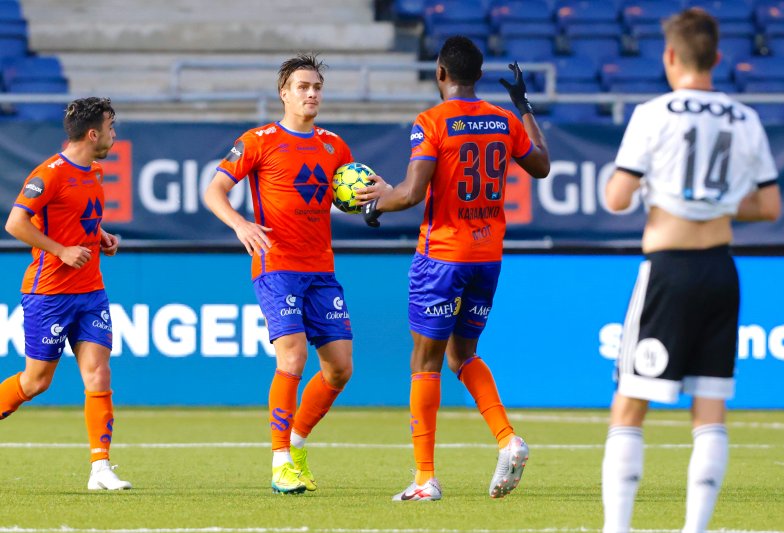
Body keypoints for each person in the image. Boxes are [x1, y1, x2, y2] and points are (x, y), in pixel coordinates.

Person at [601, 8, 781, 533]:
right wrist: (717, 203)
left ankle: (618, 529)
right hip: (722, 272)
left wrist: (668, 195)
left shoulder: (653, 113)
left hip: (668, 270)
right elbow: (770, 207)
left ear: (670, 56)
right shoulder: (745, 118)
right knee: (709, 412)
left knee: (629, 406)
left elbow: (616, 198)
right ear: (718, 59)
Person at [355, 36, 551, 501]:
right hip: (487, 257)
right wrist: (523, 105)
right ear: (479, 76)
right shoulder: (504, 120)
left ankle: (425, 479)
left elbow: (413, 193)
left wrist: (375, 203)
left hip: (442, 256)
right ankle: (508, 439)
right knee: (463, 356)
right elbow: (541, 165)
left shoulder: (430, 122)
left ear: (440, 73)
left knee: (425, 362)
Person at [204, 54, 356, 495]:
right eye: (303, 86)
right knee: (292, 357)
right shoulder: (258, 141)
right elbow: (214, 190)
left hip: (321, 269)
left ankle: (297, 440)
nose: (311, 94)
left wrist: (376, 196)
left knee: (340, 370)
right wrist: (240, 223)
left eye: (317, 87)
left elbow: (356, 191)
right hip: (277, 265)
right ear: (284, 93)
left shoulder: (335, 147)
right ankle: (280, 462)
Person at [0, 97, 131, 491]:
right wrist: (60, 251)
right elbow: (15, 223)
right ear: (93, 133)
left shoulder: (93, 171)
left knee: (98, 373)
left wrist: (99, 235)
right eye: (110, 126)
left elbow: (77, 221)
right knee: (36, 382)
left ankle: (100, 469)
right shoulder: (49, 174)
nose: (113, 133)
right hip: (50, 293)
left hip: (90, 290)